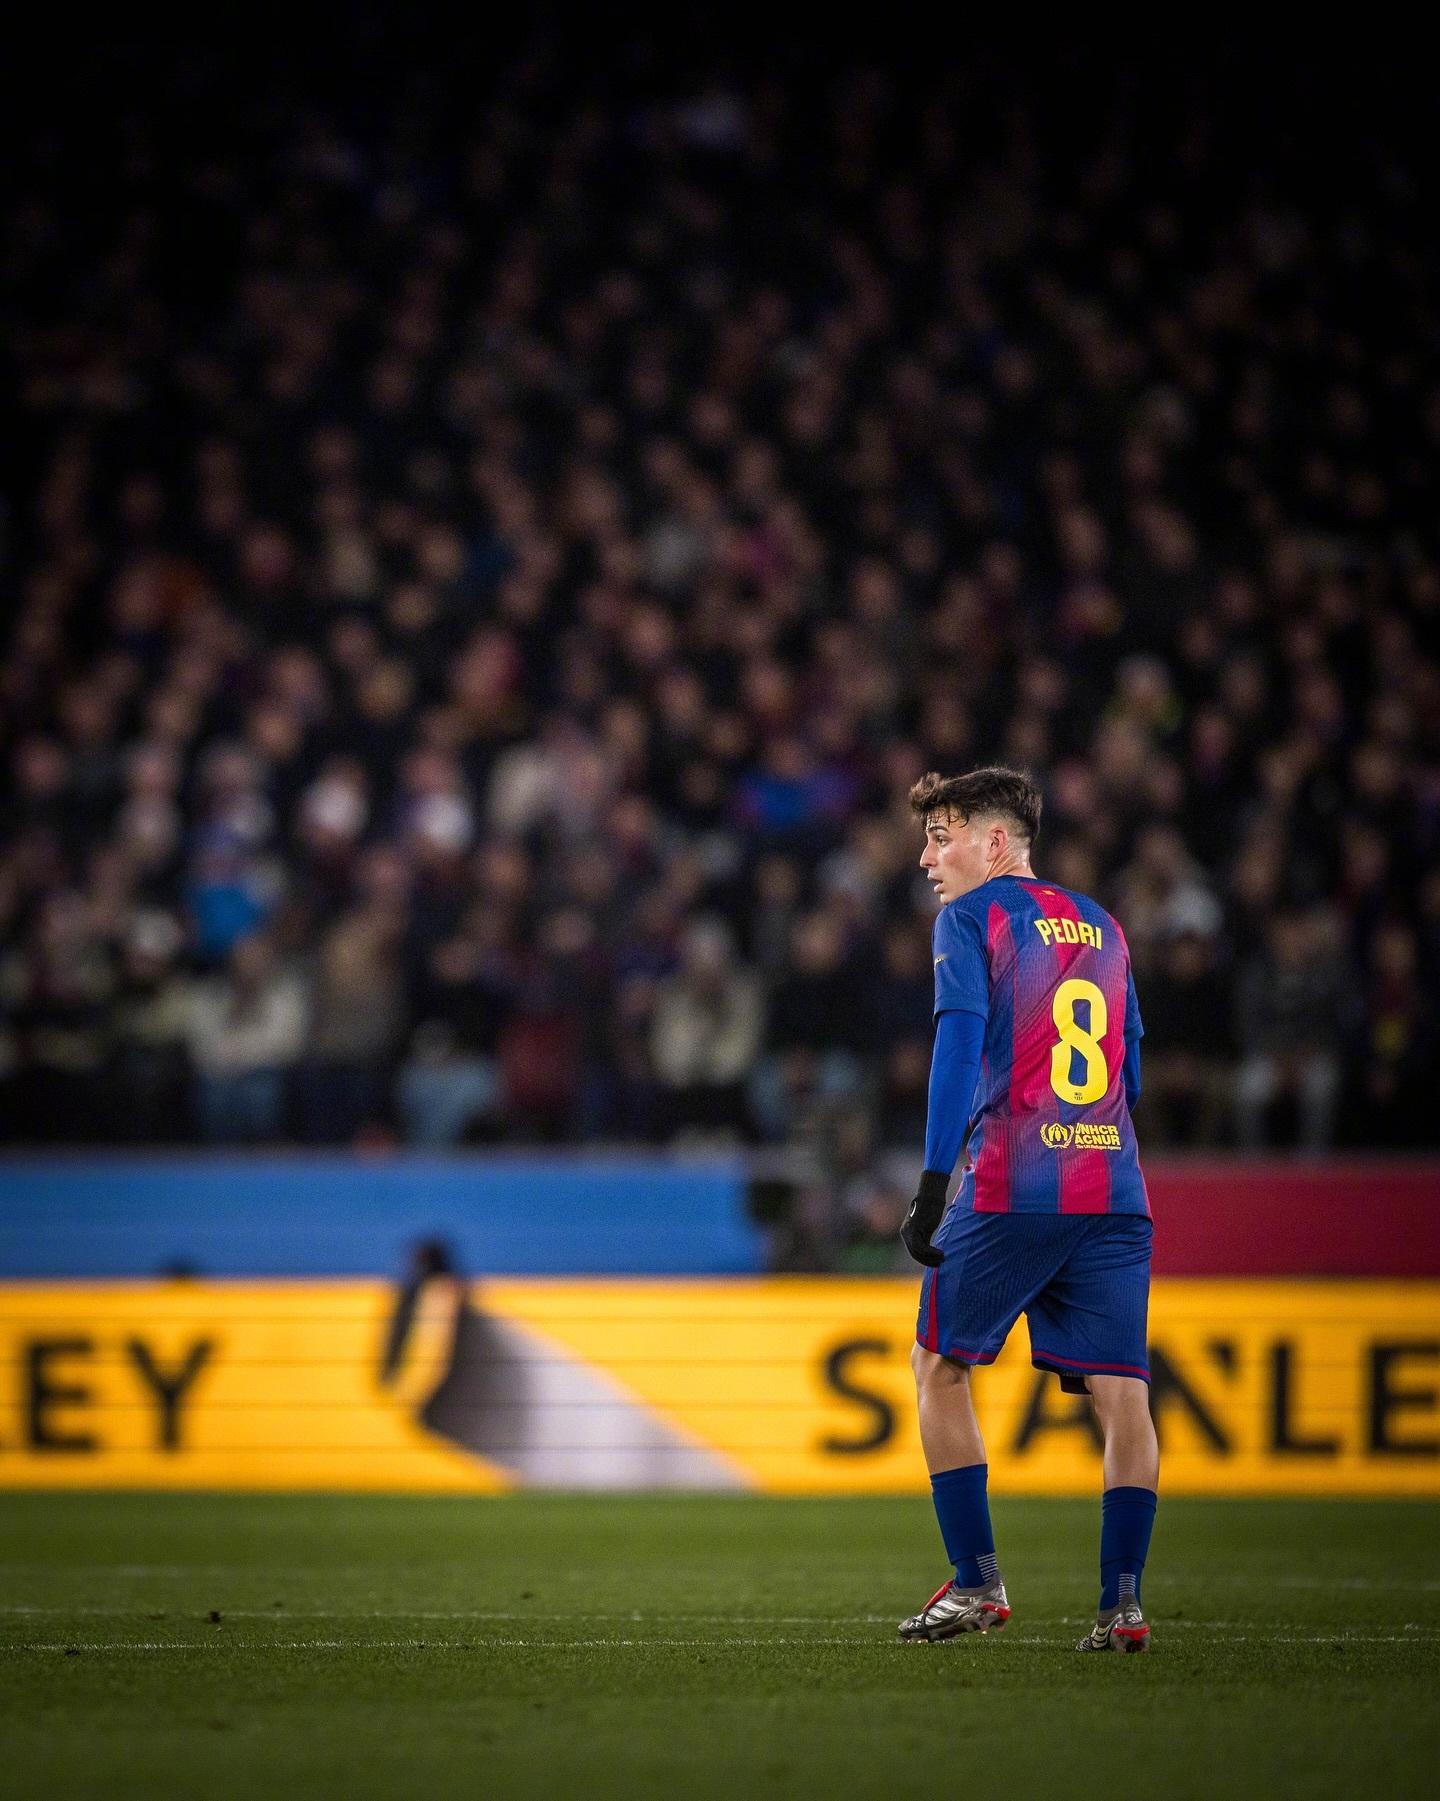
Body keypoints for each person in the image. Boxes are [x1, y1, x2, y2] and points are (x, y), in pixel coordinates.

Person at [897, 766, 1158, 1654]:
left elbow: (957, 1045)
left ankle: (976, 1583)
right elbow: (1129, 1066)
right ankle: (1122, 1605)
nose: (928, 858)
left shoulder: (972, 918)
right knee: (1123, 1395)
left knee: (938, 1363)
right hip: (1112, 1186)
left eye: (943, 837)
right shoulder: (1105, 923)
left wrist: (933, 1183)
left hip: (1017, 1179)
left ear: (997, 843)